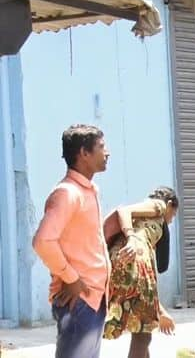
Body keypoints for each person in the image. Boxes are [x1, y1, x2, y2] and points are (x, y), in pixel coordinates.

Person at [32, 124, 111, 358]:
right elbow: (43, 242)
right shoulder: (67, 193)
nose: (107, 152)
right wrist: (71, 277)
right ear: (84, 153)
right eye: (101, 147)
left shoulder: (89, 190)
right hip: (79, 300)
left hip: (93, 297)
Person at [103, 187, 180, 358]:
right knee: (143, 333)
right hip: (134, 261)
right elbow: (123, 210)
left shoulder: (145, 222)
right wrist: (130, 237)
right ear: (169, 204)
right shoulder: (158, 206)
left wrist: (160, 311)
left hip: (121, 264)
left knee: (140, 327)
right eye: (173, 215)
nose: (171, 221)